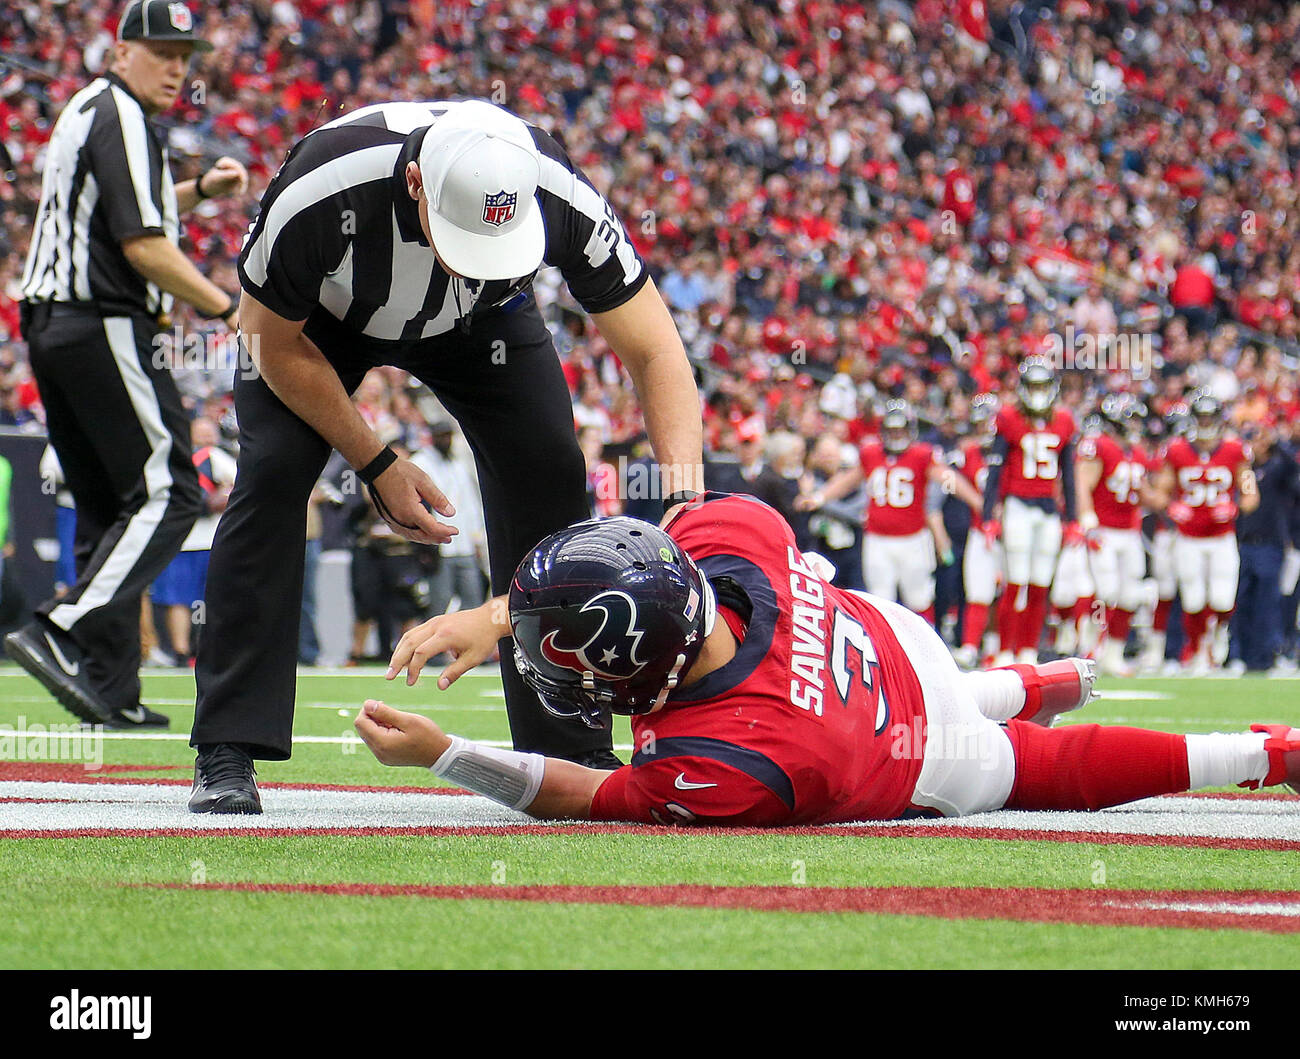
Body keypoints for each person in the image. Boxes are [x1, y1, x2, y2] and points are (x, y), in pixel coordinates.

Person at [188, 98, 702, 814]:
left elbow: (655, 345)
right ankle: (227, 744)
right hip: (321, 329)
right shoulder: (322, 186)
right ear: (414, 186)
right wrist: (376, 462)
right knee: (273, 474)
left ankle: (568, 738)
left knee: (550, 469)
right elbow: (269, 342)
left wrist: (685, 491)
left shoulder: (555, 187)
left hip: (480, 321)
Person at [355, 493, 1299, 823]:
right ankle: (1026, 681)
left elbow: (580, 793)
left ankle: (1261, 754)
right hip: (897, 639)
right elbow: (646, 554)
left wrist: (444, 754)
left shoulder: (737, 765)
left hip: (913, 748)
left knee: (1051, 770)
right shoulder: (737, 536)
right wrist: (498, 613)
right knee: (960, 709)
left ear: (637, 666)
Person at [5, 1, 248, 728]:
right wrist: (226, 308)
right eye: (161, 52)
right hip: (103, 320)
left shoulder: (92, 108)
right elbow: (142, 245)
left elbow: (126, 213)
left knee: (110, 502)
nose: (178, 68)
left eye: (185, 56)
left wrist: (200, 191)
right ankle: (60, 628)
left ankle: (108, 687)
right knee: (171, 487)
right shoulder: (124, 115)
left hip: (55, 324)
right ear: (119, 54)